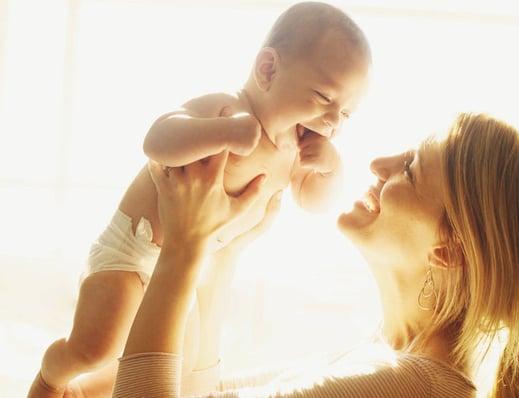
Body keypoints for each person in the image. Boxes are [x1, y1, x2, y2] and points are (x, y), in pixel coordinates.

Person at [28, 2, 371, 397]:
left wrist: (331, 170)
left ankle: (89, 392)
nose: (333, 120)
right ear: (268, 70)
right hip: (134, 251)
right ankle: (54, 374)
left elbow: (314, 203)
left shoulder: (298, 148)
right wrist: (224, 133)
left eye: (346, 113)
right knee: (97, 344)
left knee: (180, 360)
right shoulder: (227, 108)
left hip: (186, 271)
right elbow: (156, 140)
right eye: (323, 97)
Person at [111, 113, 519, 397]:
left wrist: (183, 249)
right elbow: (199, 393)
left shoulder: (409, 388)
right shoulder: (390, 360)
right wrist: (225, 254)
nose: (379, 165)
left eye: (411, 171)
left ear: (449, 249)